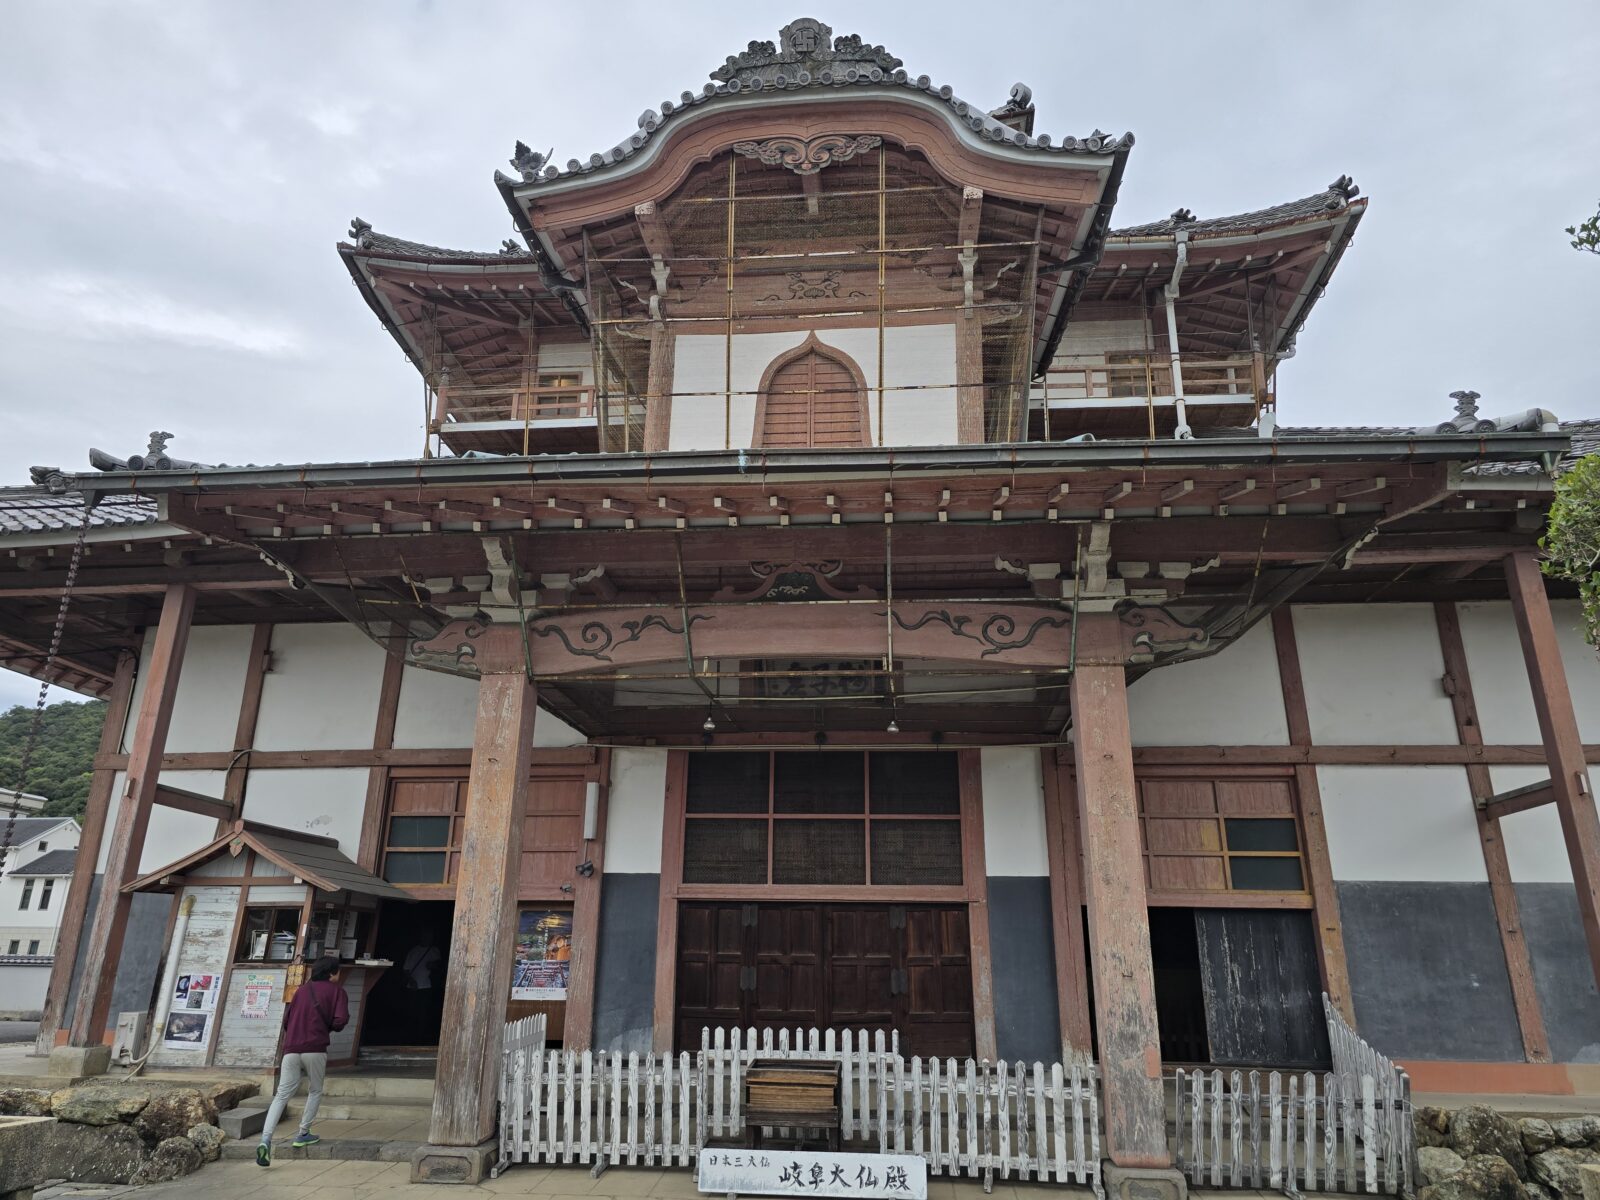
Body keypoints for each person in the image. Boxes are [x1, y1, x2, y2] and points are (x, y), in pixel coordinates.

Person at [256, 956, 349, 1166]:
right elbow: (340, 1020)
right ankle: (303, 1133)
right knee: (315, 1090)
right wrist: (329, 1027)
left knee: (282, 1094)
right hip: (315, 1048)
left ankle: (265, 1139)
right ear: (332, 972)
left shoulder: (301, 991)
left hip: (291, 1049)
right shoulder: (337, 992)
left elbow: (287, 1021)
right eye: (338, 971)